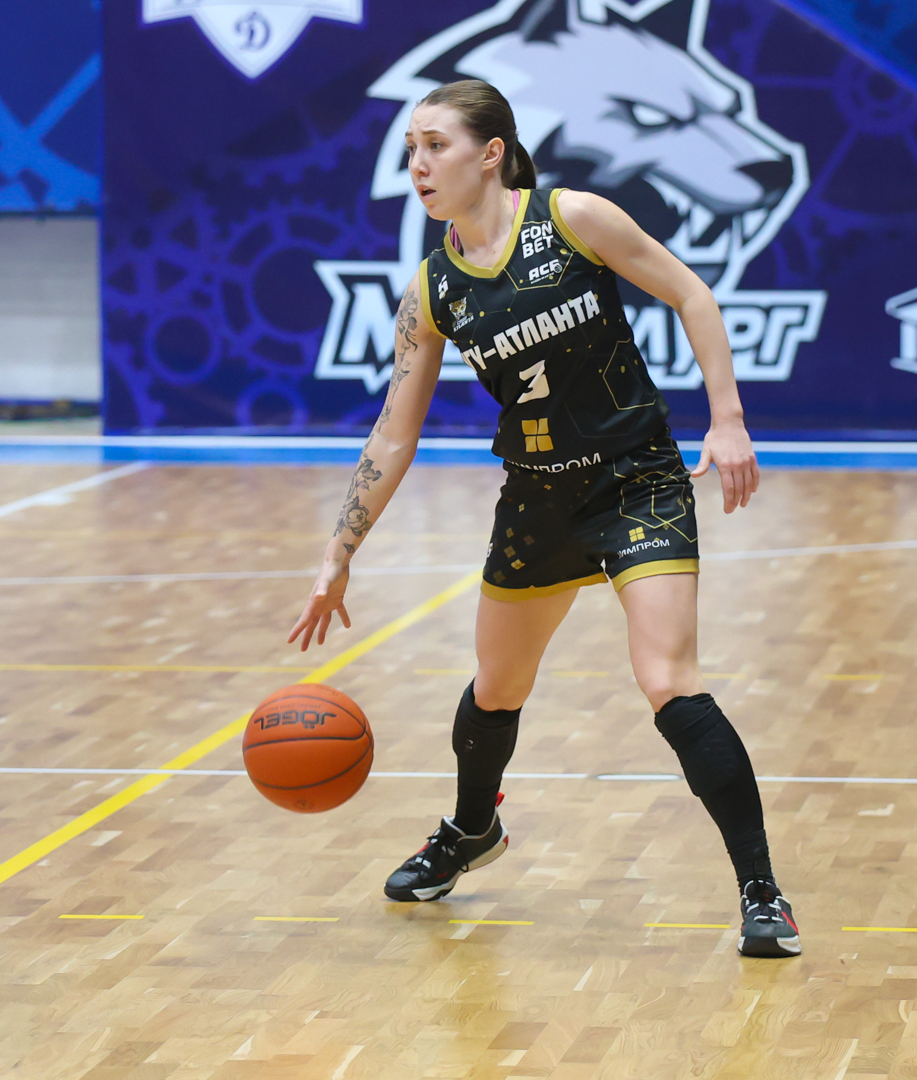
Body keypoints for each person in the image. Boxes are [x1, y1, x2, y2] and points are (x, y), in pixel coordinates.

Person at [288, 80, 799, 959]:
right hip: (537, 496)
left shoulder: (572, 218)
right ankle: (471, 829)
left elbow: (692, 295)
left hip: (637, 480)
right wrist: (339, 551)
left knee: (668, 681)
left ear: (491, 153)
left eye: (436, 145)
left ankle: (763, 892)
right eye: (411, 149)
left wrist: (728, 419)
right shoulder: (433, 290)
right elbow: (394, 434)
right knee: (496, 689)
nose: (418, 165)